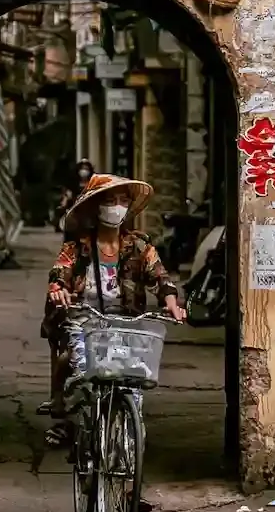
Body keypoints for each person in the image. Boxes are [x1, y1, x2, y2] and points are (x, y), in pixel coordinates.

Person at [40, 172, 185, 452]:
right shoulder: (77, 247)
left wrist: (171, 302)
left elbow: (161, 278)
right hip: (84, 320)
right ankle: (75, 427)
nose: (117, 206)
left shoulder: (140, 245)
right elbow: (59, 273)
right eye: (110, 200)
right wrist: (58, 288)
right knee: (82, 375)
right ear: (96, 207)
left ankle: (128, 445)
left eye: (122, 201)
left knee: (133, 382)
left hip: (127, 323)